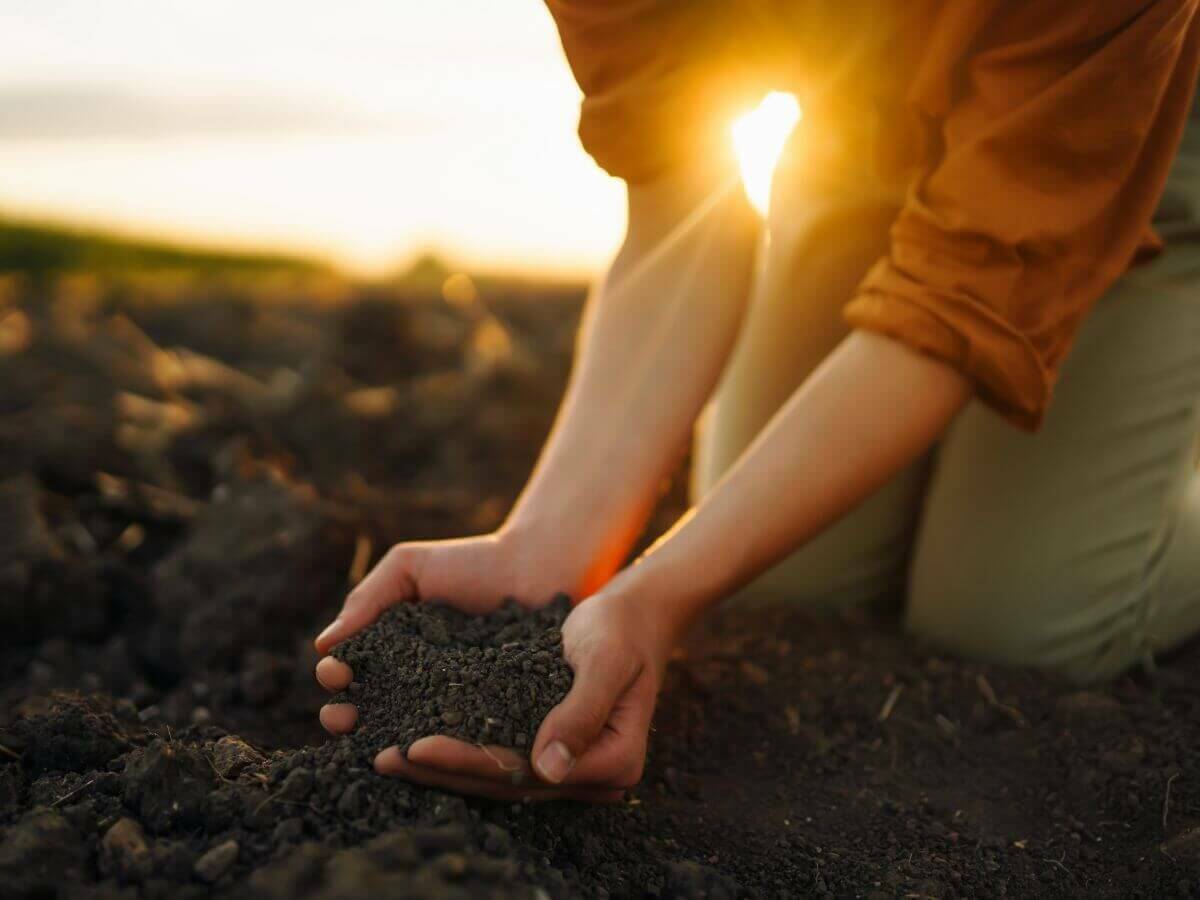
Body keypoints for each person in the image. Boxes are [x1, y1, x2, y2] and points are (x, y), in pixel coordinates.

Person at [313, 2, 1200, 801]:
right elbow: (680, 206)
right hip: (862, 129)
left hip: (1116, 138)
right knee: (782, 570)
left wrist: (656, 599)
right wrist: (547, 549)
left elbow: (957, 307)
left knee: (1014, 620)